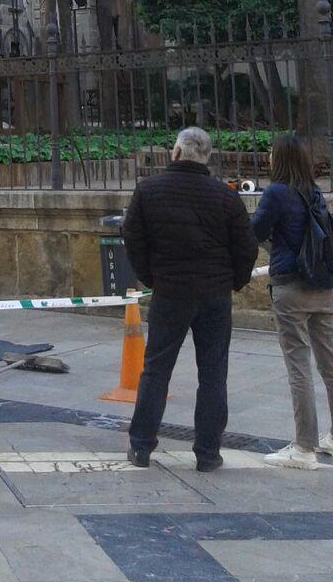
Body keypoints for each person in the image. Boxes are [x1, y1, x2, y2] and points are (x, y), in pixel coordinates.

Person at [122, 126, 258, 471]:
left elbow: (132, 238)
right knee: (213, 374)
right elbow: (247, 247)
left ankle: (141, 446)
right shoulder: (225, 197)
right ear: (207, 157)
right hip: (214, 293)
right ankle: (208, 453)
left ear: (176, 152)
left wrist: (152, 277)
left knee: (156, 370)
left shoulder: (148, 190)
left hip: (171, 290)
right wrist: (234, 282)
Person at [252, 133, 333, 470]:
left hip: (292, 288)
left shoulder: (276, 193)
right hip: (325, 288)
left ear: (279, 159)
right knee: (330, 365)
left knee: (298, 367)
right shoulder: (314, 192)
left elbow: (253, 232)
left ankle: (303, 447)